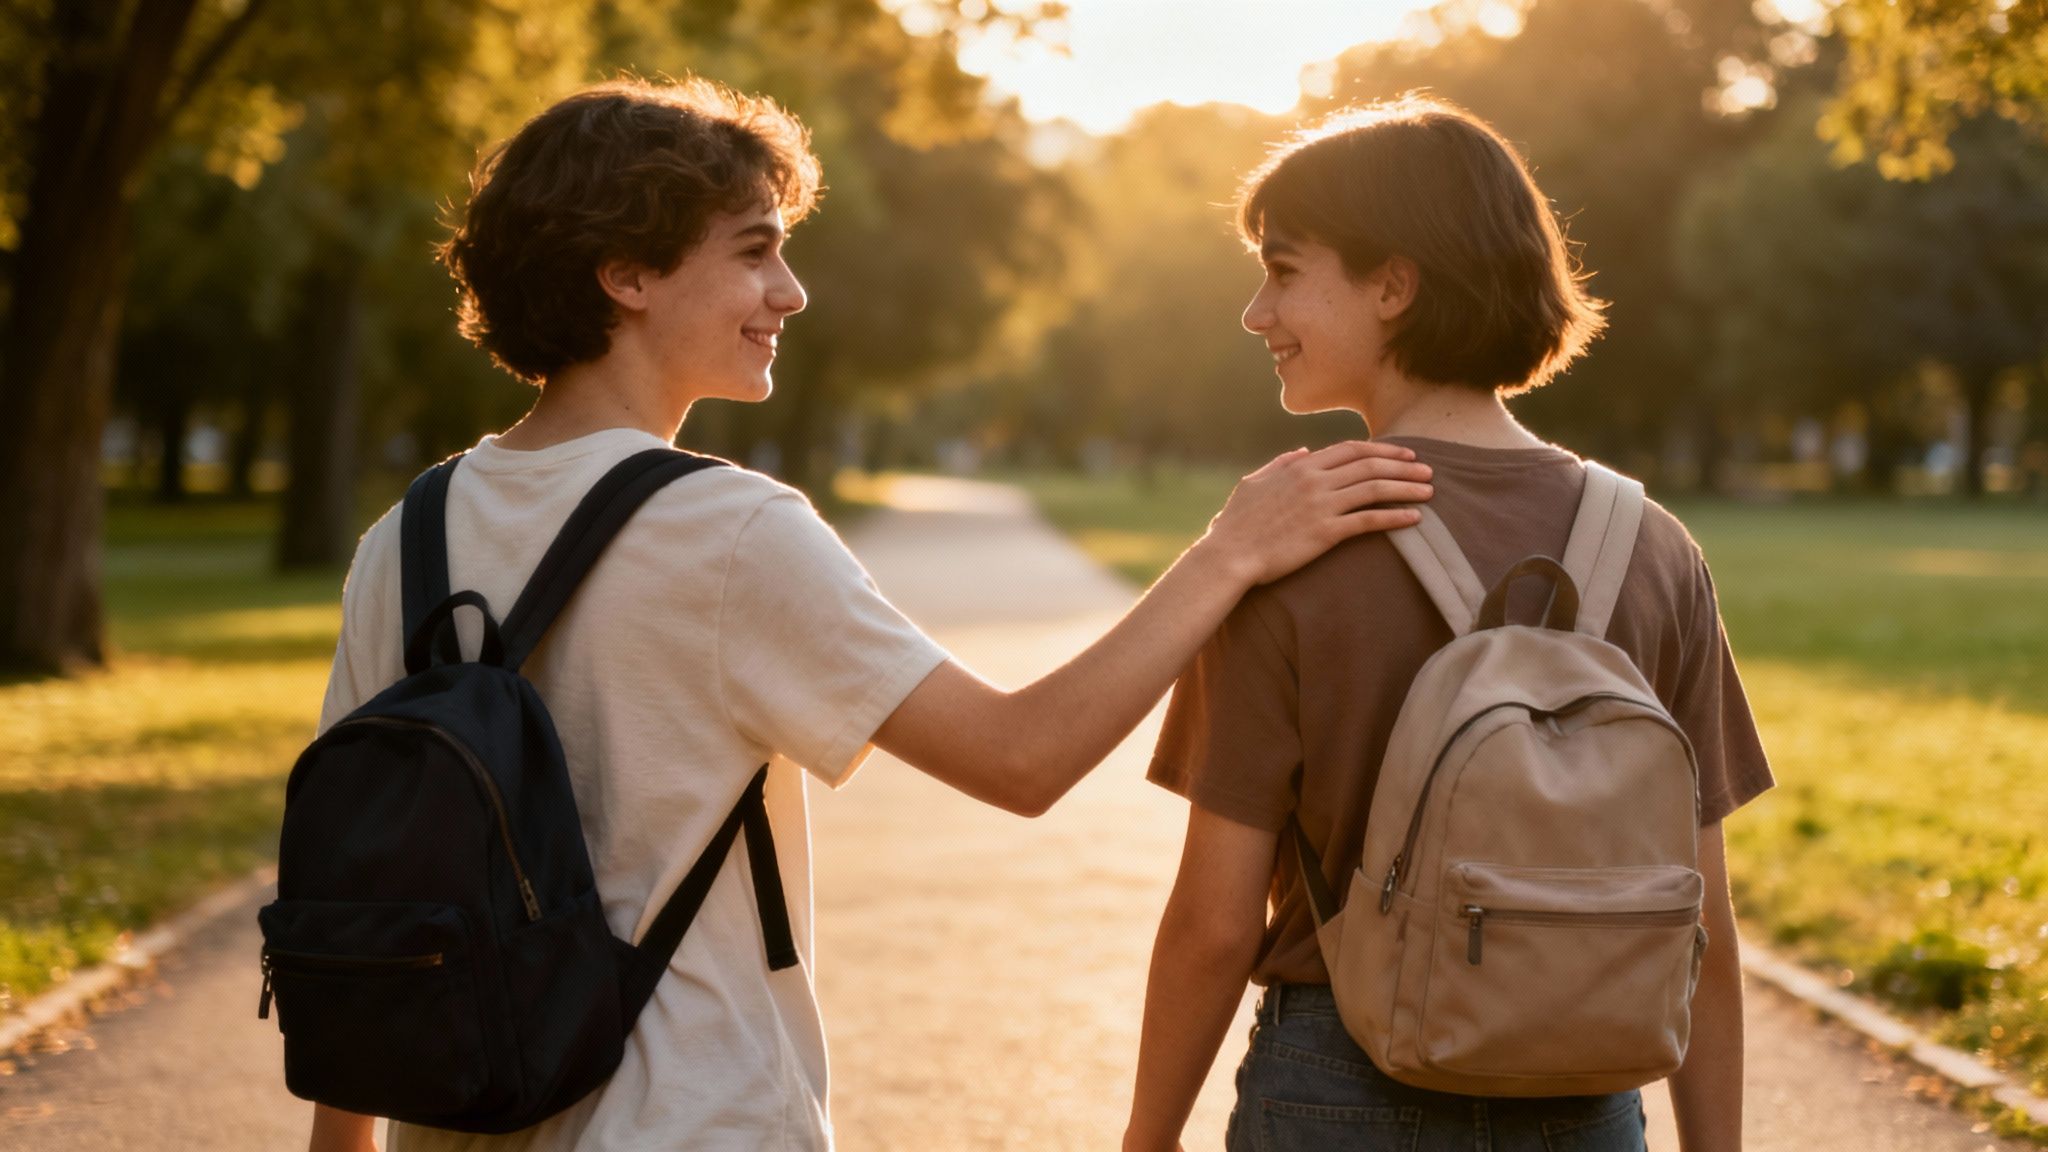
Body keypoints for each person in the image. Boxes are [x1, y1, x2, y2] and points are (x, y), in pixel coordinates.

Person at [303, 78, 1435, 1152]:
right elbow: (1020, 758)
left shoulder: (406, 538)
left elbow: (360, 896)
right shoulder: (729, 529)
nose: (790, 293)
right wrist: (1227, 552)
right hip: (697, 1117)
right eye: (754, 253)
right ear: (626, 275)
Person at [1124, 97, 1774, 1152]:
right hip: (1585, 1095)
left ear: (1392, 284)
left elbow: (1212, 924)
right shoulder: (1652, 548)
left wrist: (1141, 1139)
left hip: (1335, 1082)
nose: (1254, 311)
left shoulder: (1290, 547)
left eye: (1283, 270)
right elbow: (1700, 922)